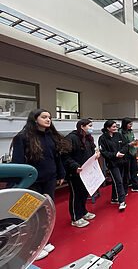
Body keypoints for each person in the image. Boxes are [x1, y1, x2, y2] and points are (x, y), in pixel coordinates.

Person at [11, 108, 70, 260]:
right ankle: (30, 247)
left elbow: (56, 158)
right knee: (31, 214)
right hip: (32, 181)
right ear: (34, 119)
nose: (48, 119)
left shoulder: (50, 136)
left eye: (49, 117)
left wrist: (61, 173)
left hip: (49, 179)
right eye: (44, 117)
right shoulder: (22, 137)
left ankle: (42, 241)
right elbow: (18, 163)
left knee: (45, 211)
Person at [62, 119, 100, 228]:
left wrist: (96, 154)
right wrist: (75, 166)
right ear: (82, 127)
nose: (91, 128)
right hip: (74, 172)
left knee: (84, 192)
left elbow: (92, 151)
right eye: (90, 125)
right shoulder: (71, 138)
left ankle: (83, 211)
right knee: (76, 194)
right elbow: (65, 156)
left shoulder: (88, 138)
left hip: (86, 171)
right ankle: (75, 217)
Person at [98, 120, 128, 211]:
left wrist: (122, 152)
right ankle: (122, 201)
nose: (116, 128)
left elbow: (125, 145)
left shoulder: (119, 135)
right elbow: (104, 152)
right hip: (112, 163)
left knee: (119, 180)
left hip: (121, 161)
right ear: (108, 128)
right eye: (114, 127)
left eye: (116, 126)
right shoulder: (102, 138)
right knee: (118, 181)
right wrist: (115, 154)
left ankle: (114, 198)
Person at [119, 117, 138, 193]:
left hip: (133, 153)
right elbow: (121, 144)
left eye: (131, 124)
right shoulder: (120, 132)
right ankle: (125, 189)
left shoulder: (131, 132)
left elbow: (132, 140)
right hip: (126, 154)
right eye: (130, 124)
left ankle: (135, 186)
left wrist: (137, 142)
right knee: (126, 172)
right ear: (125, 124)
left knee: (134, 170)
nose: (131, 126)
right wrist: (130, 144)